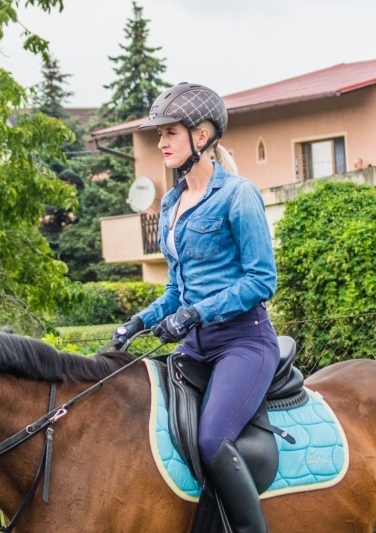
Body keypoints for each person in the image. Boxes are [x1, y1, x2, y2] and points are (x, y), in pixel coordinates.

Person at [112, 82, 278, 533]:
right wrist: (139, 322)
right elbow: (176, 291)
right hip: (195, 347)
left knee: (210, 439)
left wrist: (198, 312)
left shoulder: (238, 195)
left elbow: (262, 280)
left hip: (244, 343)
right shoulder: (170, 203)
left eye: (169, 132)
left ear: (201, 136)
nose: (160, 141)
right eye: (158, 134)